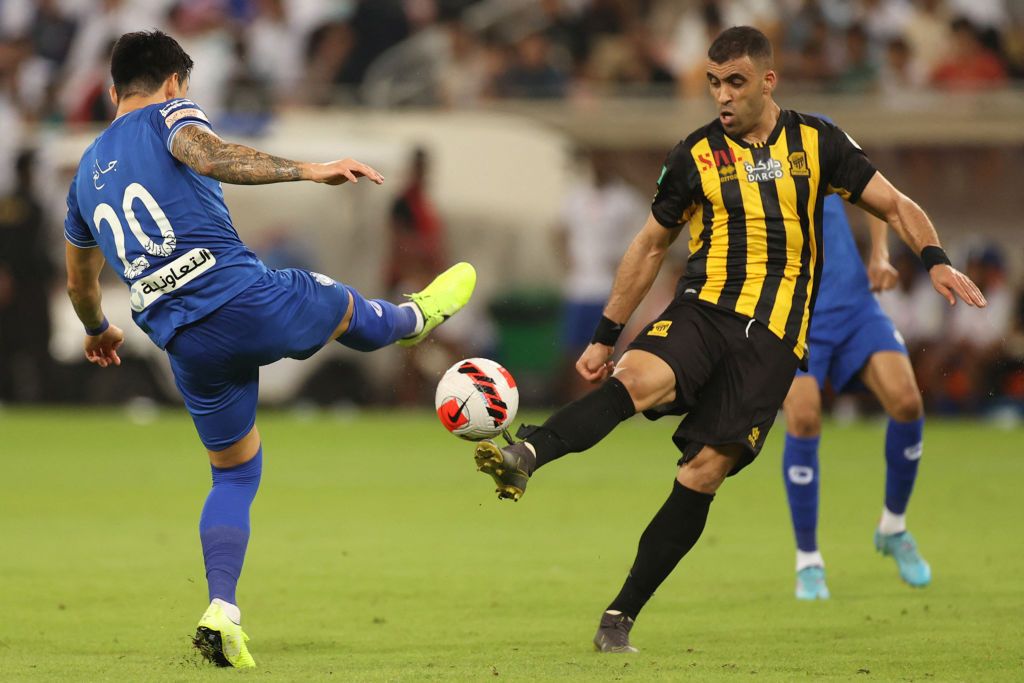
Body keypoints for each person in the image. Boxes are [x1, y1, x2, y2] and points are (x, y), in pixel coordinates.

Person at [472, 26, 986, 654]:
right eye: (714, 82)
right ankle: (527, 455)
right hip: (705, 308)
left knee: (703, 471)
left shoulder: (817, 141)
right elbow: (650, 245)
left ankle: (619, 617)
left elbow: (895, 203)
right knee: (634, 379)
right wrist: (607, 333)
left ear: (768, 81)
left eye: (735, 81)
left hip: (773, 339)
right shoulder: (694, 155)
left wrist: (934, 258)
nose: (722, 95)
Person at [63, 31, 476, 669]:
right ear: (173, 81)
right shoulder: (170, 116)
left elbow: (79, 280)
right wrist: (308, 170)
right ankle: (412, 318)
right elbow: (209, 154)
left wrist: (95, 329)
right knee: (345, 308)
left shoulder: (84, 177)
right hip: (240, 299)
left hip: (183, 342)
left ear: (113, 87)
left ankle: (222, 609)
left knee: (233, 472)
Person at [781, 192, 930, 602]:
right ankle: (808, 559)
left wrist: (879, 254)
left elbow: (874, 193)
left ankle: (893, 527)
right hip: (793, 313)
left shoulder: (819, 133)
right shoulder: (733, 154)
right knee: (805, 418)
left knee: (907, 401)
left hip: (852, 303)